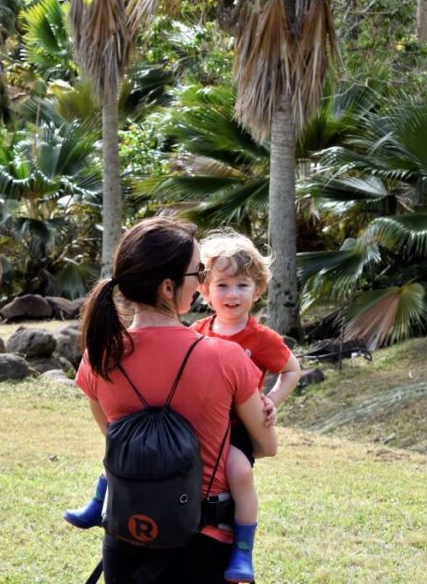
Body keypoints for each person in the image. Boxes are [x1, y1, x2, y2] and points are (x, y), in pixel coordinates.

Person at [70, 217, 277, 583]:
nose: (201, 283)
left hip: (126, 537)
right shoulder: (225, 358)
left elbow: (115, 437)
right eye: (198, 272)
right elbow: (264, 445)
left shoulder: (98, 356)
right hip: (201, 546)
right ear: (169, 286)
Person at [190, 229, 302, 582]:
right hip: (200, 424)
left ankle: (242, 550)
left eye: (242, 285)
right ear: (204, 291)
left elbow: (292, 369)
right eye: (222, 285)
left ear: (257, 290)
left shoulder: (262, 339)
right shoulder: (196, 332)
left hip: (237, 431)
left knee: (239, 473)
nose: (232, 294)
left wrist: (271, 400)